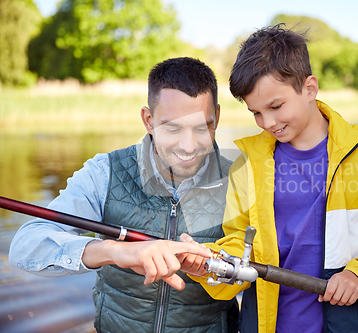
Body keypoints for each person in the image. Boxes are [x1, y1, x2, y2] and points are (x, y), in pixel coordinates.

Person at [191, 25, 358, 332]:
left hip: (351, 323)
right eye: (256, 113)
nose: (267, 123)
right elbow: (241, 243)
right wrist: (209, 263)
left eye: (276, 106)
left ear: (309, 88)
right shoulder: (247, 165)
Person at [9, 57, 239, 332]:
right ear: (148, 120)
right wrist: (114, 251)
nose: (188, 146)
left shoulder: (241, 181)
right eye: (173, 128)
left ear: (217, 118)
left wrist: (218, 267)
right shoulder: (104, 172)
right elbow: (25, 246)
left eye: (202, 127)